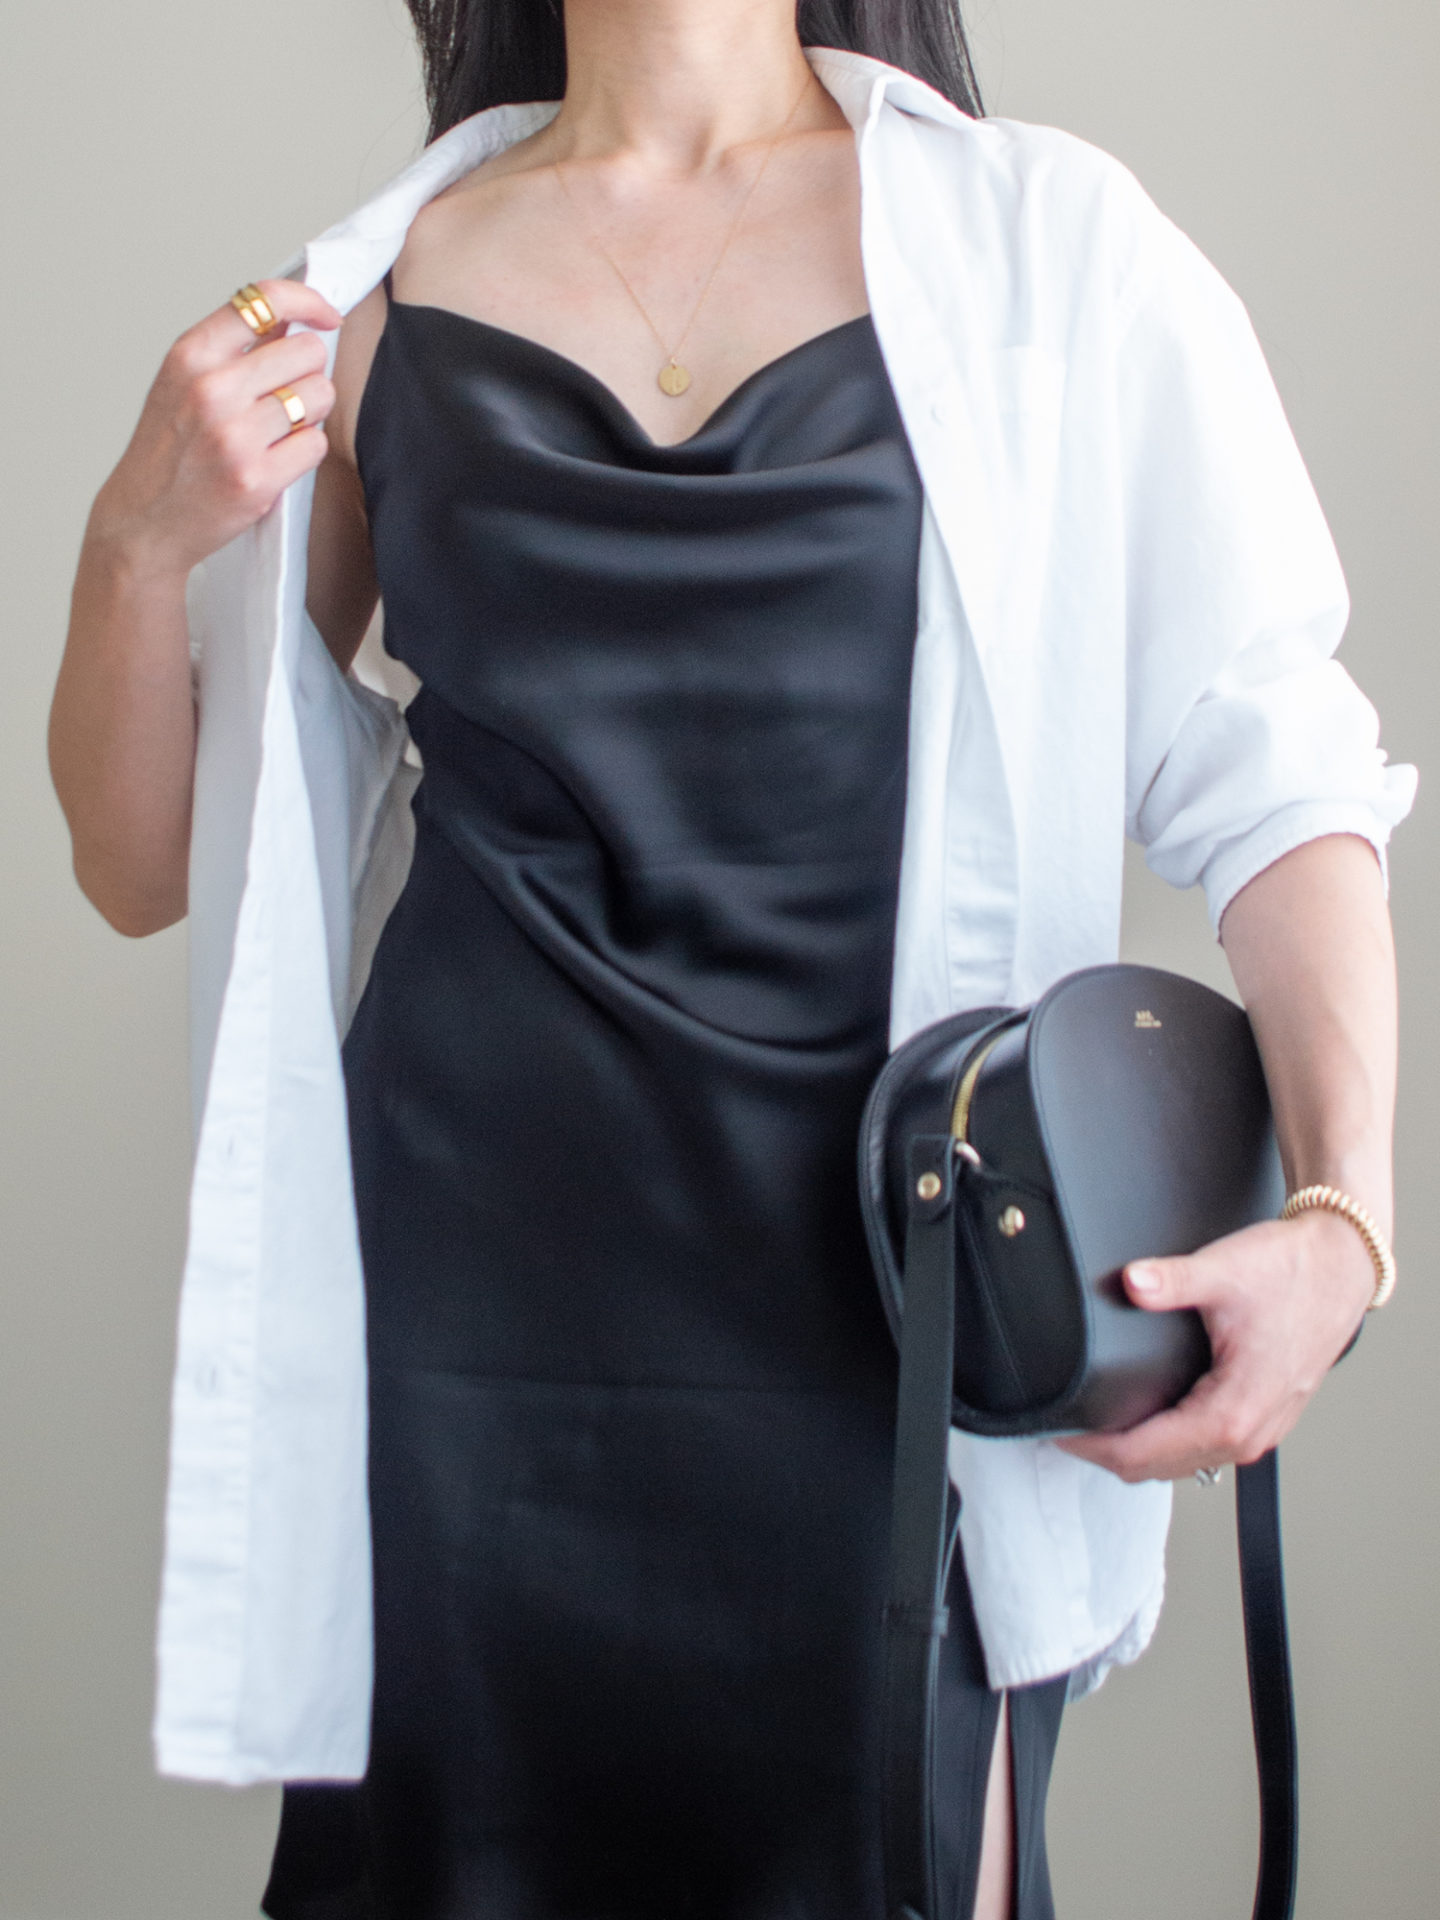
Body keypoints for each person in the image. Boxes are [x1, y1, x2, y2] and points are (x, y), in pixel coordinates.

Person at [47, 4, 1415, 1917]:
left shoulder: (1058, 254)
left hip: (900, 1324)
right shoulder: (366, 302)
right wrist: (133, 540)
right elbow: (136, 860)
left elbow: (1277, 771)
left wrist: (1344, 1215)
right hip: (456, 1346)